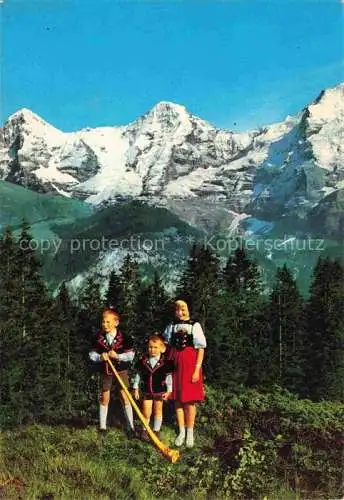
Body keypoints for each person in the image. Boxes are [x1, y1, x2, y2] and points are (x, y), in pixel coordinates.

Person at [163, 300, 206, 448]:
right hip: (174, 363)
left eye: (183, 309)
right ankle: (181, 431)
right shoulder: (171, 326)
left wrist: (196, 369)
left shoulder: (195, 325)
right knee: (177, 400)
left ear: (189, 310)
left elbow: (201, 349)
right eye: (177, 310)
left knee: (189, 401)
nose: (180, 313)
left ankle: (190, 432)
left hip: (189, 365)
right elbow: (166, 346)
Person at [89, 308, 135, 435]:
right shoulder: (98, 337)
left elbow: (131, 355)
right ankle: (102, 427)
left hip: (121, 370)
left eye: (108, 322)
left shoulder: (125, 337)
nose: (105, 325)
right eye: (103, 322)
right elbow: (91, 354)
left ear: (116, 323)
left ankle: (130, 427)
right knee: (105, 397)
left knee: (125, 396)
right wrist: (99, 357)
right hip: (106, 371)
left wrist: (118, 356)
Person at [132, 334, 174, 440]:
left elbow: (169, 378)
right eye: (150, 347)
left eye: (155, 347)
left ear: (161, 348)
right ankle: (145, 430)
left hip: (159, 391)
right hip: (147, 391)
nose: (153, 350)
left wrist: (169, 391)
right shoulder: (143, 361)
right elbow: (138, 375)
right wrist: (136, 387)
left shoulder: (165, 363)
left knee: (158, 411)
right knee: (146, 411)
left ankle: (156, 430)